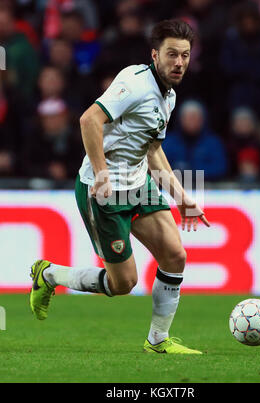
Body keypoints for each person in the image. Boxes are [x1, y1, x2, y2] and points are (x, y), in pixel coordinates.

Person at [29, 19, 210, 354]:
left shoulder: (167, 96)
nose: (179, 62)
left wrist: (182, 197)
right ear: (155, 55)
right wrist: (101, 173)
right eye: (172, 54)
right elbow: (89, 119)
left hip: (138, 185)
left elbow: (152, 149)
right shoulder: (135, 82)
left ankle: (158, 340)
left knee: (175, 255)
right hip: (104, 193)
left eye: (185, 55)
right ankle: (49, 275)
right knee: (123, 284)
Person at [163, 99, 228, 180]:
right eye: (188, 118)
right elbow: (158, 166)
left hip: (206, 188)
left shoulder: (213, 142)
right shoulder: (168, 141)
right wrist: (176, 170)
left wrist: (193, 171)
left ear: (202, 120)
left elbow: (221, 168)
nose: (192, 121)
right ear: (181, 119)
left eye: (195, 117)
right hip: (173, 186)